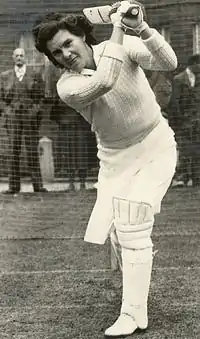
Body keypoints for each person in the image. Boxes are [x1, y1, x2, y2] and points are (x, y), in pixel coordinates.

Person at [32, 1, 177, 337]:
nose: (65, 55)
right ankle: (134, 295)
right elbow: (106, 80)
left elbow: (169, 61)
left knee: (133, 220)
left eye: (68, 43)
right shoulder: (66, 86)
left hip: (156, 144)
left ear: (83, 36)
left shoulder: (122, 46)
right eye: (57, 53)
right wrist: (118, 26)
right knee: (122, 231)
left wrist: (139, 27)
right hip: (114, 160)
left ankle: (132, 314)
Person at [0, 48, 47, 194]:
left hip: (29, 118)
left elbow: (40, 98)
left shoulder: (35, 75)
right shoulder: (5, 76)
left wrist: (33, 112)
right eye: (17, 56)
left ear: (25, 58)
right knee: (13, 151)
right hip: (13, 118)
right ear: (13, 58)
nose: (19, 58)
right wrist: (8, 112)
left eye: (22, 55)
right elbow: (1, 99)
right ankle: (13, 187)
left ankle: (38, 186)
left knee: (32, 151)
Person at [169, 54, 200, 188]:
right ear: (192, 65)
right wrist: (180, 121)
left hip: (196, 122)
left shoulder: (197, 79)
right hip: (184, 122)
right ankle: (184, 177)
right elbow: (175, 103)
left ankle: (196, 178)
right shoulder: (179, 80)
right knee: (186, 151)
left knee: (196, 151)